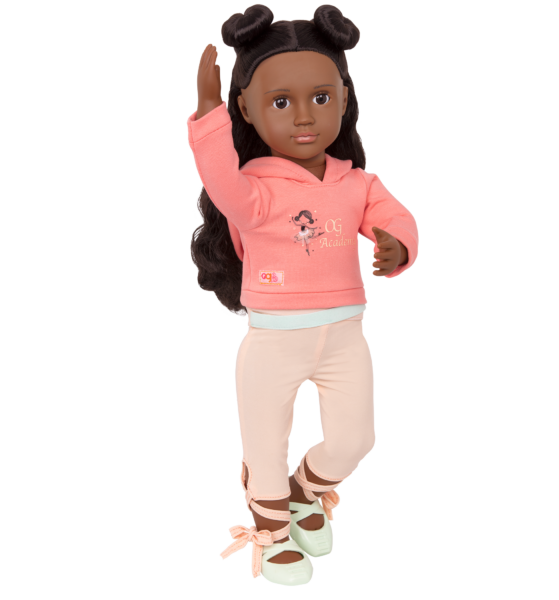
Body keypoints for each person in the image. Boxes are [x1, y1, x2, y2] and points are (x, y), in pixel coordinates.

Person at [187, 4, 419, 587]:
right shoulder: (253, 189)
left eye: (320, 97)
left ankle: (304, 491)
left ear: (344, 97)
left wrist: (396, 245)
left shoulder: (357, 182)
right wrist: (210, 118)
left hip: (345, 336)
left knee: (356, 439)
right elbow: (220, 179)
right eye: (280, 102)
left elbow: (396, 217)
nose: (305, 117)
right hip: (274, 339)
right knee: (266, 439)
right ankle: (270, 530)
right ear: (246, 108)